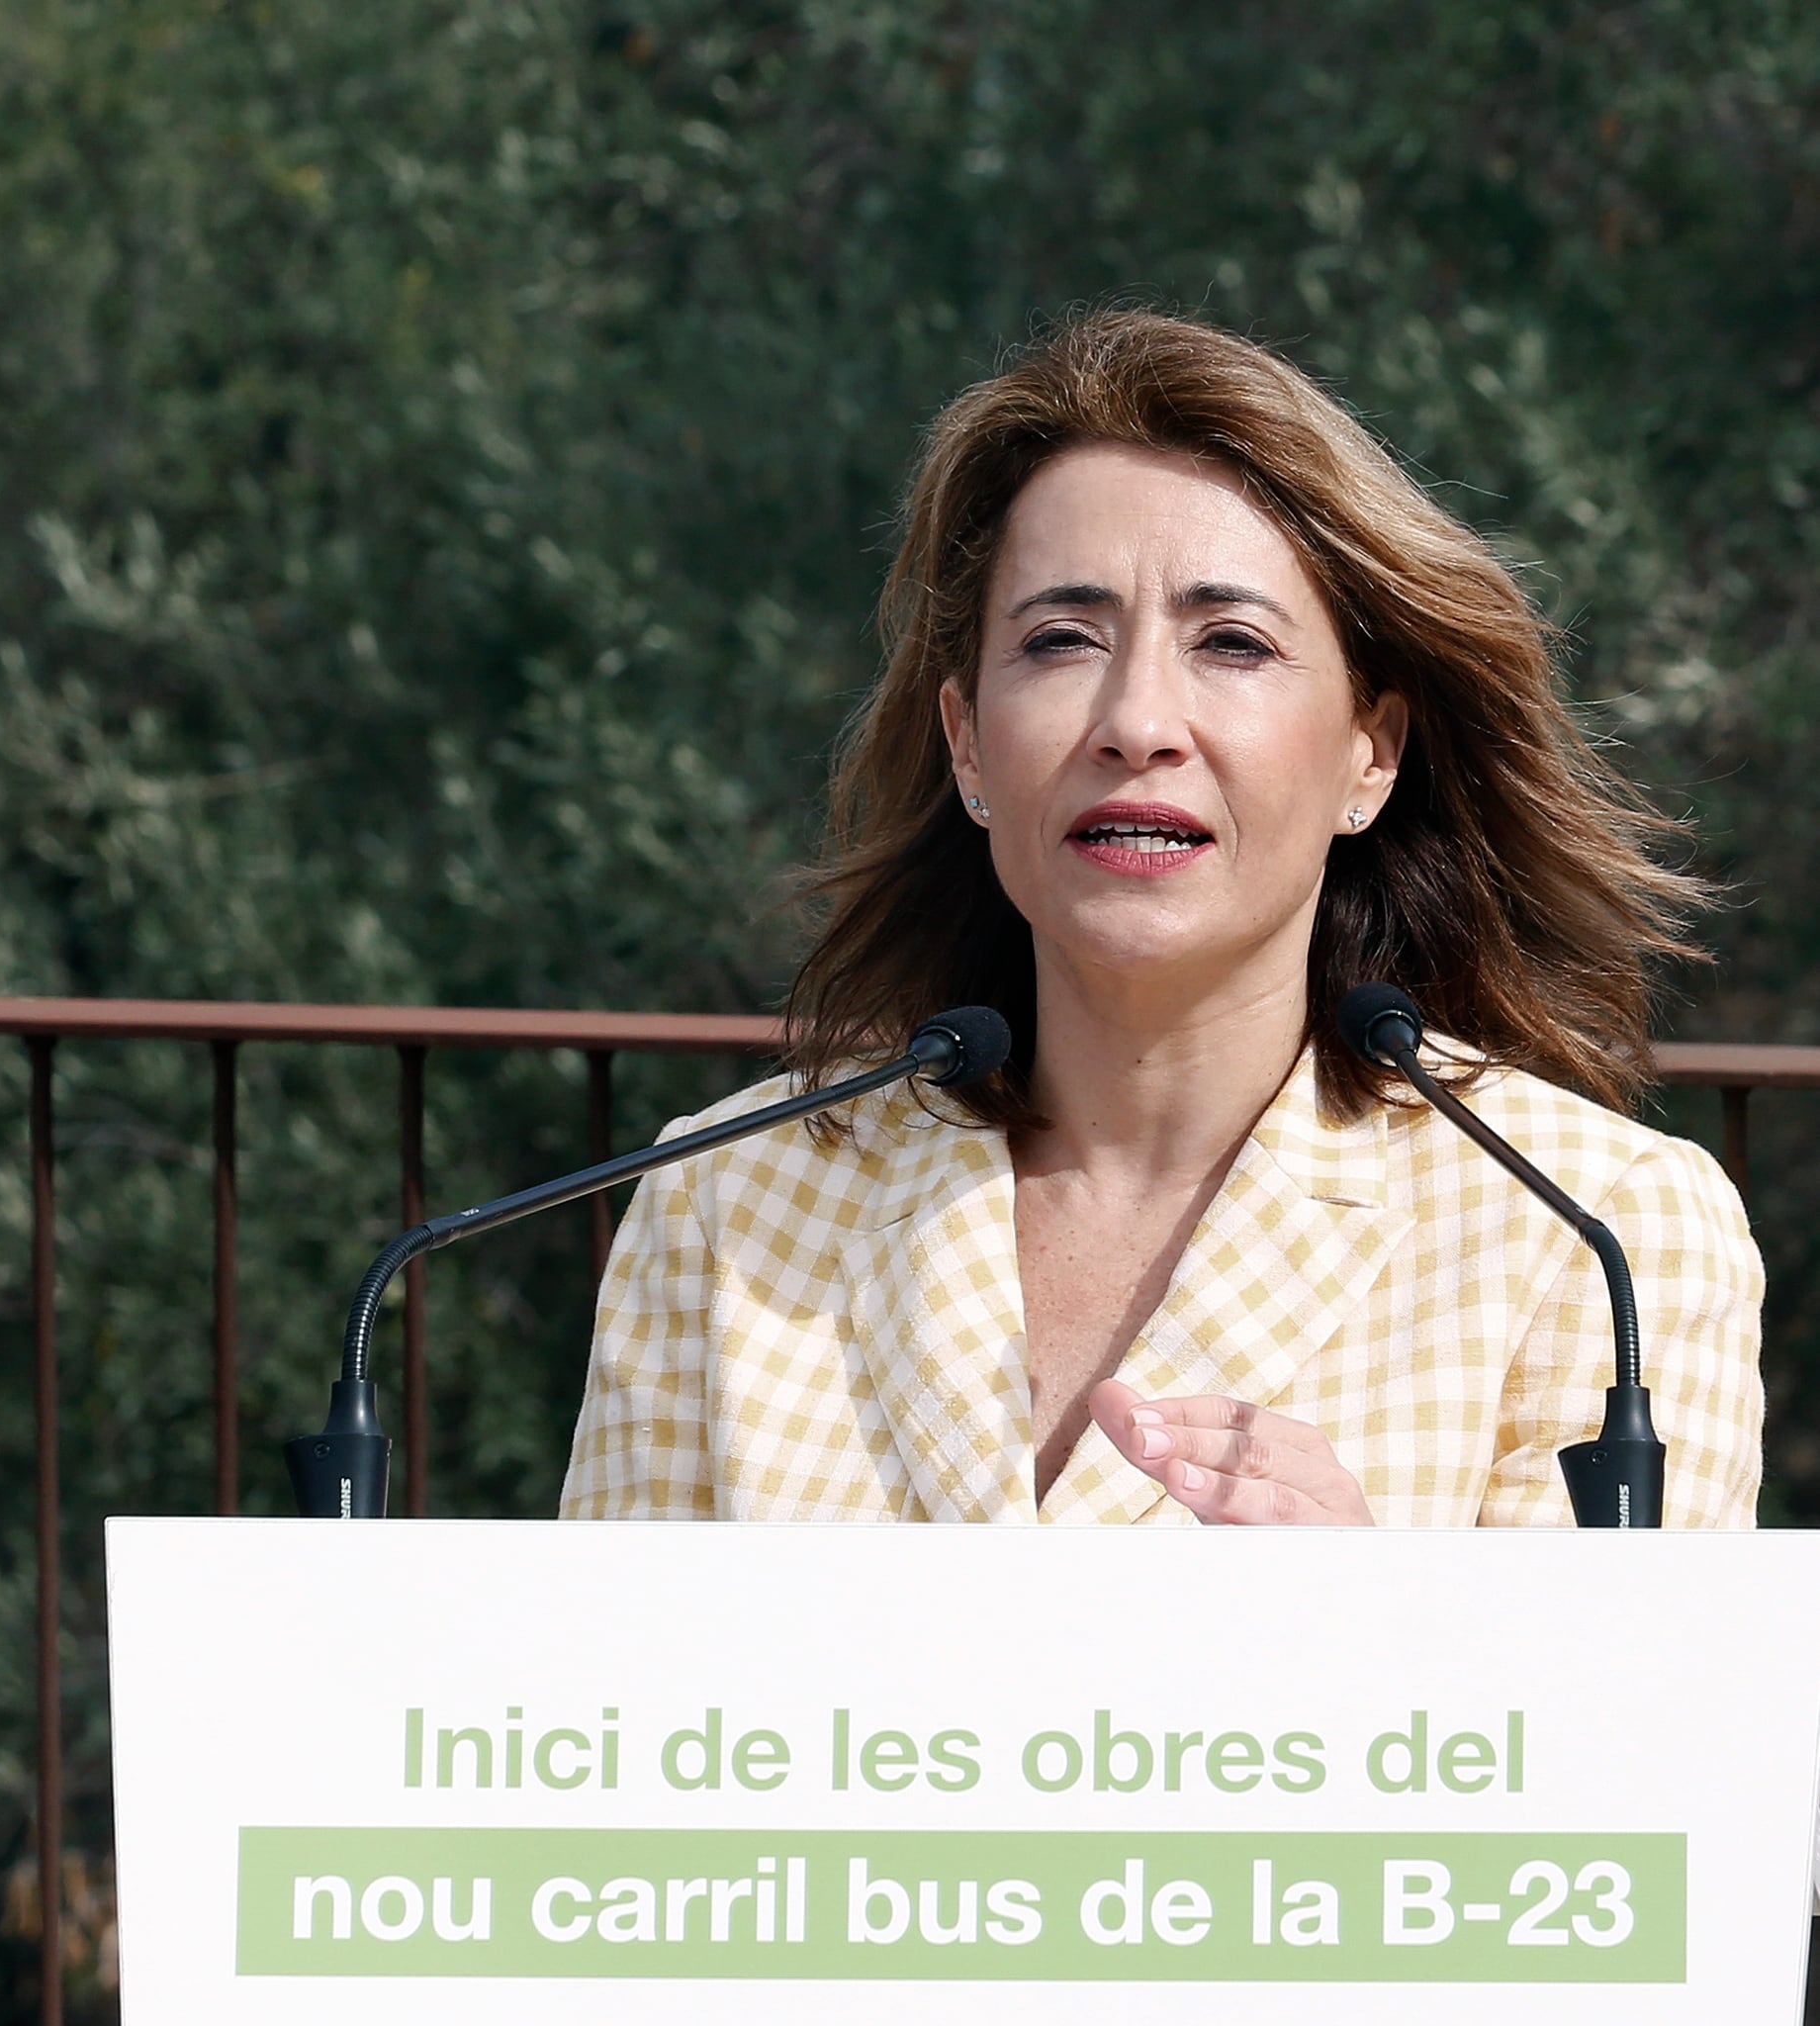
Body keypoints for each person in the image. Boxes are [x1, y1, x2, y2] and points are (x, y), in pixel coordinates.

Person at [563, 309, 1760, 1527]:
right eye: (1060, 640)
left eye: (1231, 643)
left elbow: (1623, 1722)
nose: (1137, 720)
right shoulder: (723, 1206)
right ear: (968, 743)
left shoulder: (1598, 1232)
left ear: (1370, 755)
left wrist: (1374, 1626)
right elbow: (593, 1709)